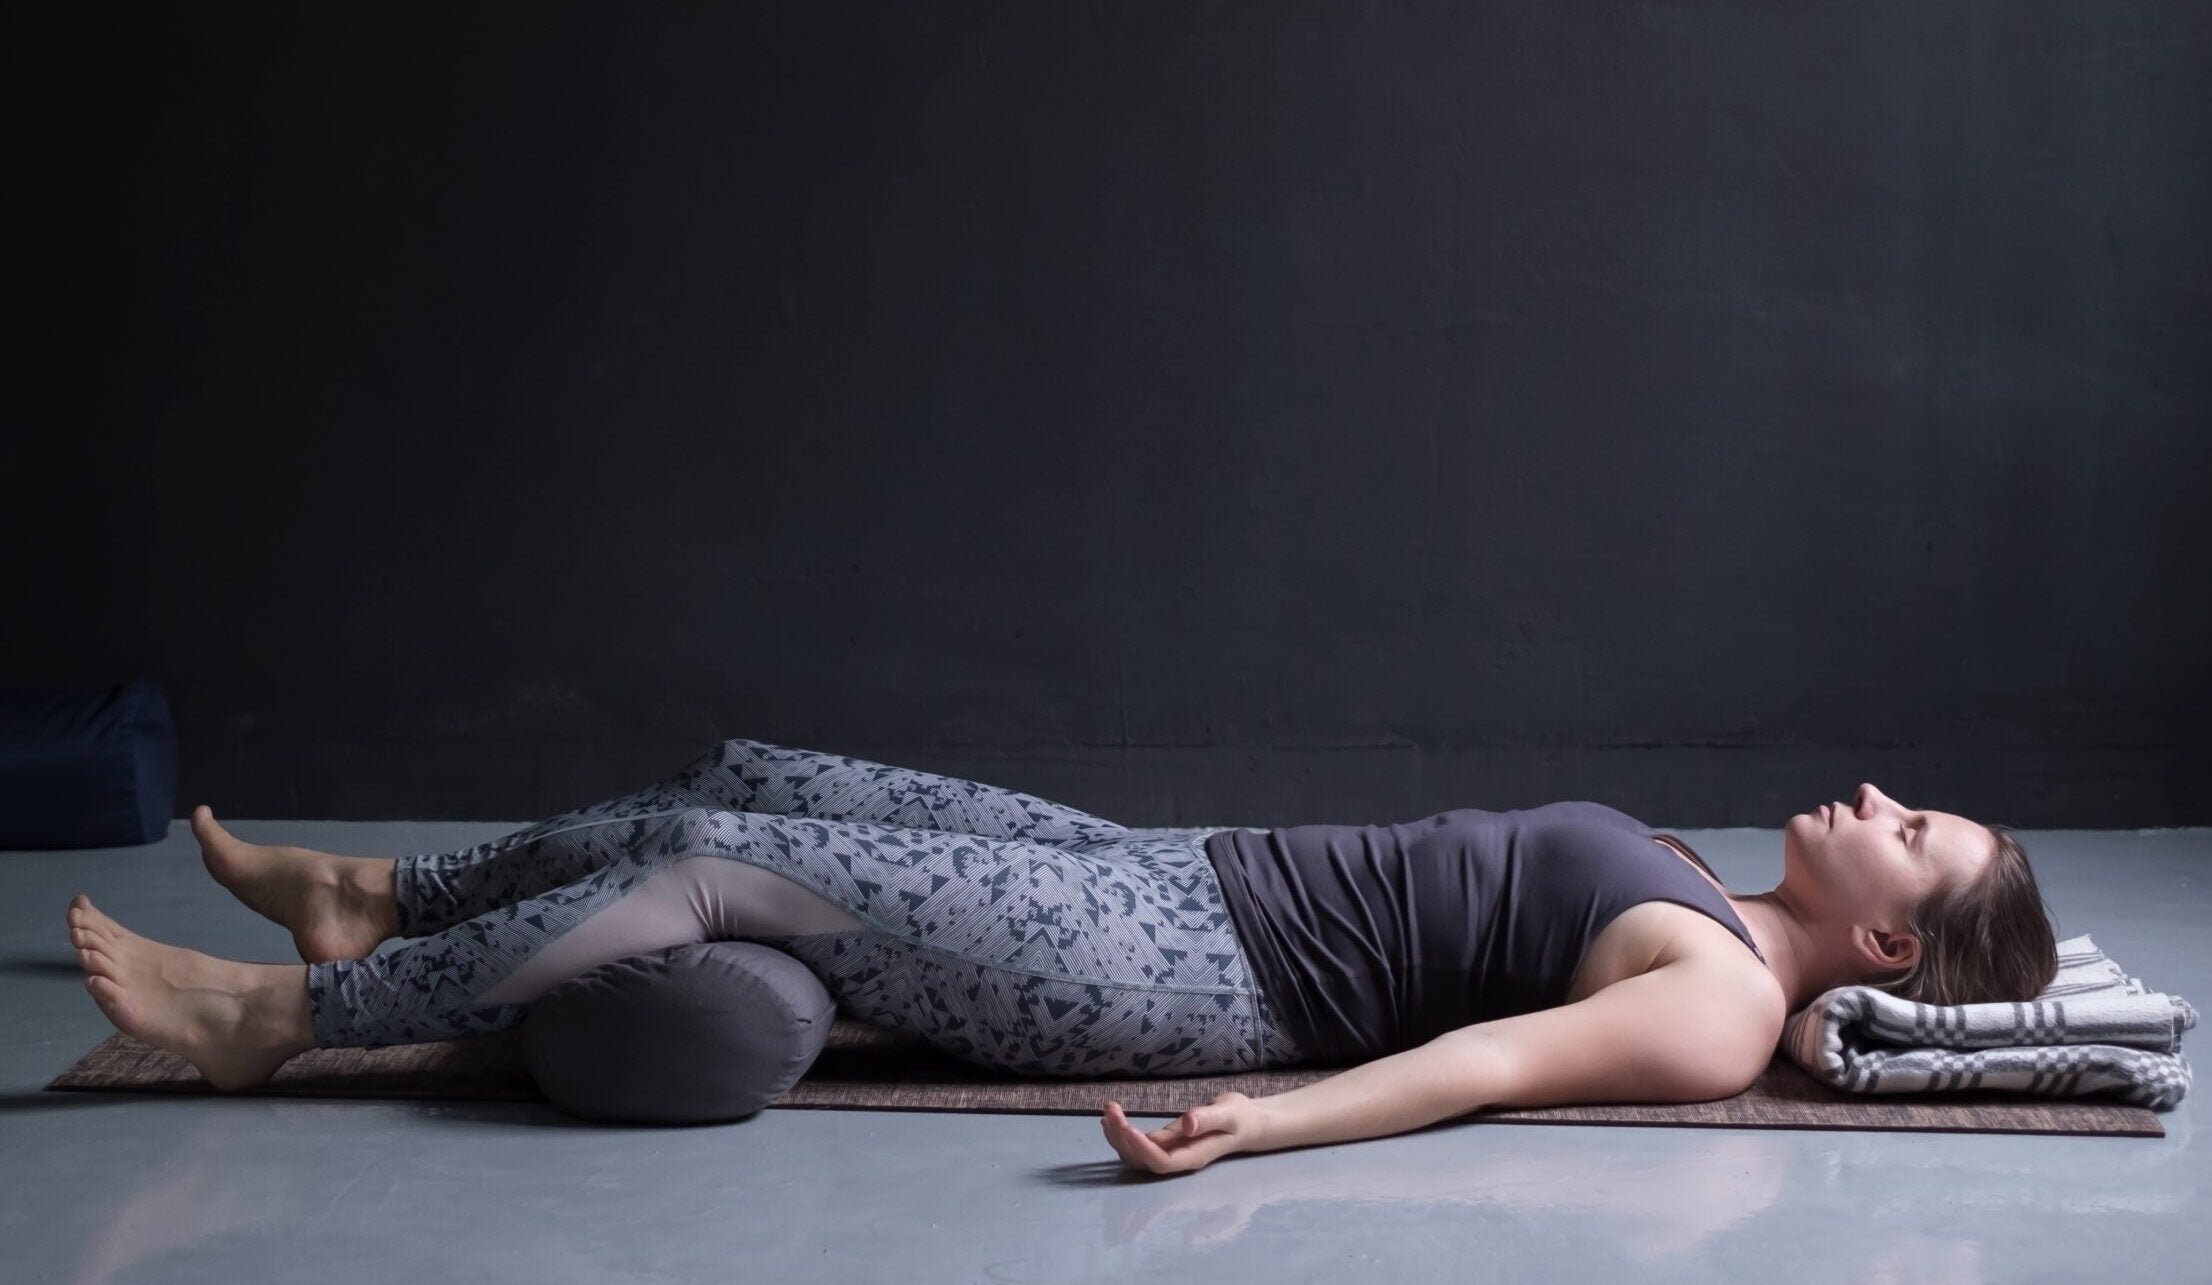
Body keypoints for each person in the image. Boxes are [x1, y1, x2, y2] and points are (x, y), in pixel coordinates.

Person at [64, 739, 2057, 1174]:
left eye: (1911, 830)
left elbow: (1479, 1070)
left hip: (1184, 964)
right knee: (756, 769)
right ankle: (385, 900)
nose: (1879, 792)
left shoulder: (1717, 1005)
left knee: (729, 864)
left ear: (1885, 932)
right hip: (1169, 864)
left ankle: (288, 1018)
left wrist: (1250, 1126)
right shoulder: (1707, 887)